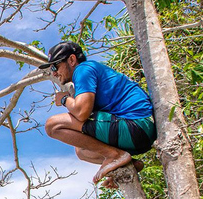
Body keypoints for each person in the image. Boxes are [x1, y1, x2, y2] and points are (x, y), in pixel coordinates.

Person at [40, 41, 156, 188]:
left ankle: (115, 155)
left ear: (71, 60)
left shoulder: (83, 70)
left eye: (55, 66)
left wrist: (64, 99)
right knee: (82, 150)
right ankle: (128, 164)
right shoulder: (89, 73)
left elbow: (81, 113)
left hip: (136, 126)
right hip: (140, 135)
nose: (54, 72)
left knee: (53, 125)